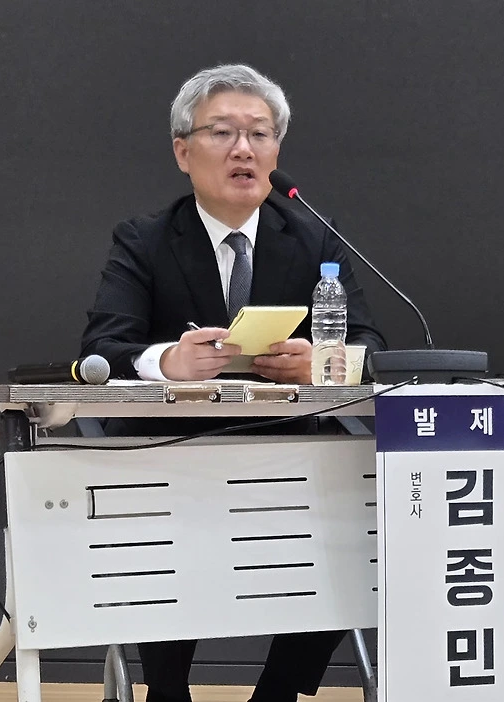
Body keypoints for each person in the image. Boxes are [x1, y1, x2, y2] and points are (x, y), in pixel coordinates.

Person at [80, 64, 387, 702]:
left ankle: (278, 693)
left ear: (276, 152)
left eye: (260, 134)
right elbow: (102, 348)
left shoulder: (314, 237)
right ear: (182, 152)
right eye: (222, 132)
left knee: (362, 525)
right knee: (162, 524)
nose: (244, 149)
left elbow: (371, 346)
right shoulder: (144, 240)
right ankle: (167, 691)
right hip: (171, 450)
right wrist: (168, 361)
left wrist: (321, 363)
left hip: (289, 449)